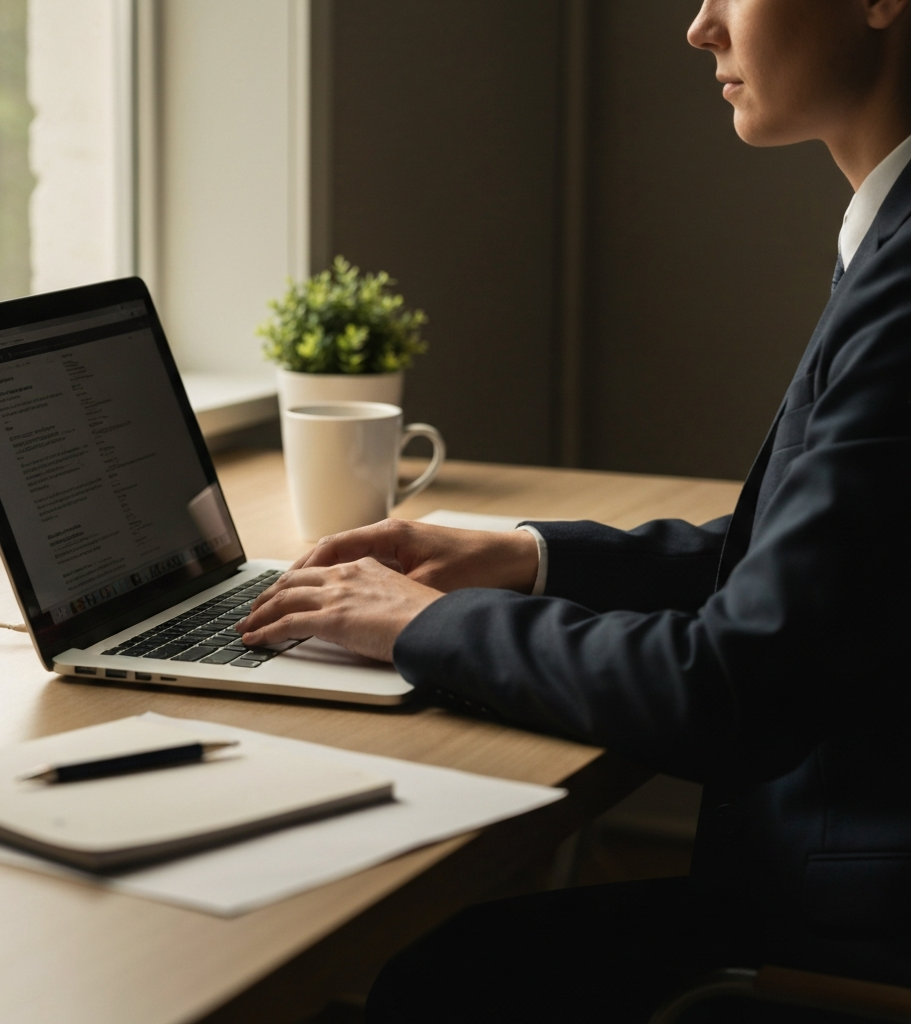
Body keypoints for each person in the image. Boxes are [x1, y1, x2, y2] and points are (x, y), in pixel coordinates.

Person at [236, 0, 911, 1019]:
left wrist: (423, 622)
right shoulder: (887, 233)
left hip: (846, 930)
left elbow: (731, 685)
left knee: (440, 977)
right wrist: (522, 557)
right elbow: (820, 561)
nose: (699, 27)